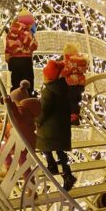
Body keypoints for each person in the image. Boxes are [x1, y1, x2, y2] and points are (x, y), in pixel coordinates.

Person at [36, 59, 75, 191]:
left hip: (49, 127)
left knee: (42, 143)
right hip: (61, 126)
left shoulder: (48, 91)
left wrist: (37, 121)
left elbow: (44, 110)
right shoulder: (63, 88)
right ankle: (67, 173)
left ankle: (52, 165)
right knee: (60, 150)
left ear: (48, 77)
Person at [4, 10, 38, 91]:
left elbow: (8, 47)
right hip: (25, 60)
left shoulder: (11, 32)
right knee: (27, 83)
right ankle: (27, 96)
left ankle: (15, 97)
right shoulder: (26, 32)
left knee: (16, 83)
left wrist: (8, 57)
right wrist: (34, 40)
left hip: (13, 60)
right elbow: (33, 45)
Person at [60, 43, 88, 125]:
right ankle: (76, 116)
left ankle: (73, 117)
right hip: (80, 84)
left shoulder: (68, 60)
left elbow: (65, 71)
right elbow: (85, 69)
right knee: (76, 100)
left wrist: (61, 73)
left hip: (71, 83)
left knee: (70, 100)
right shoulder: (82, 60)